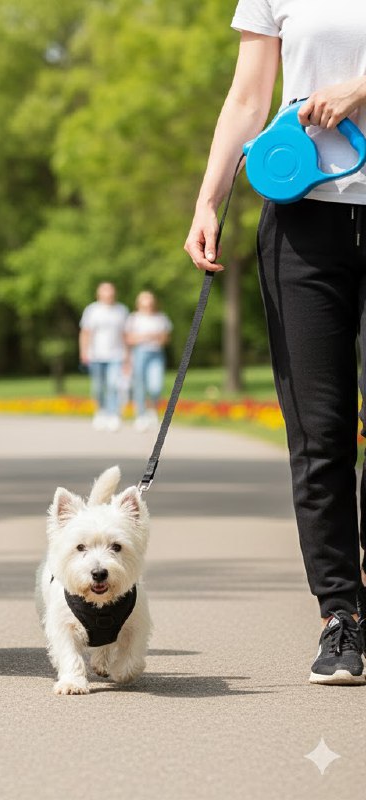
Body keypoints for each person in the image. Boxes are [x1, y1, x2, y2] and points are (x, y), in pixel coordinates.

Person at [185, 1, 366, 684]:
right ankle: (340, 617)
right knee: (318, 435)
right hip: (301, 225)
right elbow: (248, 96)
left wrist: (361, 88)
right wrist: (208, 199)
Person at [79, 282, 129, 431]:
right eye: (105, 291)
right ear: (99, 294)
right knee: (98, 386)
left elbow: (125, 334)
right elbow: (85, 332)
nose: (108, 295)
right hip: (96, 355)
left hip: (116, 355)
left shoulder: (121, 310)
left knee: (114, 384)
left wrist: (127, 354)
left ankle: (114, 414)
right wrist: (83, 352)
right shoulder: (92, 310)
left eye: (111, 291)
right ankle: (100, 412)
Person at [125, 291, 172, 431]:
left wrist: (154, 337)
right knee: (140, 385)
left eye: (150, 302)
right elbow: (129, 339)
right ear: (139, 303)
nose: (148, 305)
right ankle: (140, 415)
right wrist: (146, 337)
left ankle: (152, 411)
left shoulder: (161, 318)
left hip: (156, 354)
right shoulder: (133, 318)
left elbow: (165, 339)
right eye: (145, 302)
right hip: (139, 353)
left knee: (155, 386)